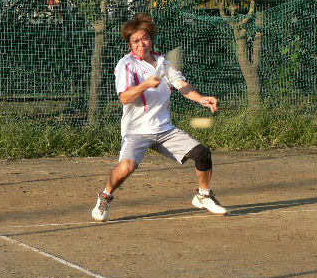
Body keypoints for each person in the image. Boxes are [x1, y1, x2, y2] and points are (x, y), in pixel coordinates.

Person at [91, 13, 228, 221]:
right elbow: (125, 98)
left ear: (151, 39)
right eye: (135, 41)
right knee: (127, 168)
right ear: (129, 44)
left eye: (144, 38)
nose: (141, 44)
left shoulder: (164, 63)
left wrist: (201, 99)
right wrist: (145, 84)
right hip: (136, 131)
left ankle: (204, 195)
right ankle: (105, 196)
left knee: (202, 153)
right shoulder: (126, 64)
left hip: (164, 129)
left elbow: (182, 85)